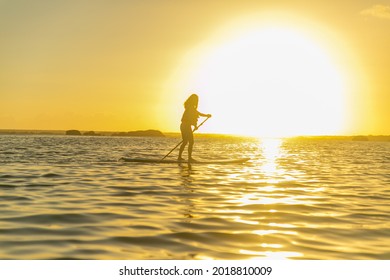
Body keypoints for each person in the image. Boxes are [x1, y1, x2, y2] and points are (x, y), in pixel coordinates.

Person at [178, 94, 211, 162]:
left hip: (184, 126)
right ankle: (189, 158)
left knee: (185, 142)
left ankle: (180, 157)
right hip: (185, 126)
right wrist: (195, 125)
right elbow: (190, 118)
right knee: (190, 142)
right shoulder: (190, 107)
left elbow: (197, 114)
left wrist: (206, 115)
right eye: (196, 100)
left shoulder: (190, 107)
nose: (197, 101)